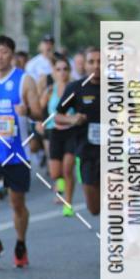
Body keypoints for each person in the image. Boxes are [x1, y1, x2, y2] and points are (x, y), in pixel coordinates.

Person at [0, 35, 42, 267]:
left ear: (12, 55)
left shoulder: (25, 81)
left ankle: (21, 243)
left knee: (17, 203)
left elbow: (39, 113)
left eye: (3, 52)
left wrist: (27, 112)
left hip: (17, 151)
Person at [55, 47, 101, 216]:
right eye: (92, 62)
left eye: (100, 62)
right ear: (85, 66)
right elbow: (58, 116)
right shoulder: (75, 88)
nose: (96, 66)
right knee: (94, 208)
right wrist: (72, 119)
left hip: (114, 153)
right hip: (87, 152)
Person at [39, 55, 77, 216]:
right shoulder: (50, 90)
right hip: (54, 131)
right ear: (53, 72)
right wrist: (39, 123)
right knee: (55, 173)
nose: (62, 72)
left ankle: (68, 203)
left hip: (72, 132)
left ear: (69, 71)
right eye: (58, 69)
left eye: (65, 69)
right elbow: (39, 109)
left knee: (68, 169)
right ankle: (59, 182)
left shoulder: (76, 89)